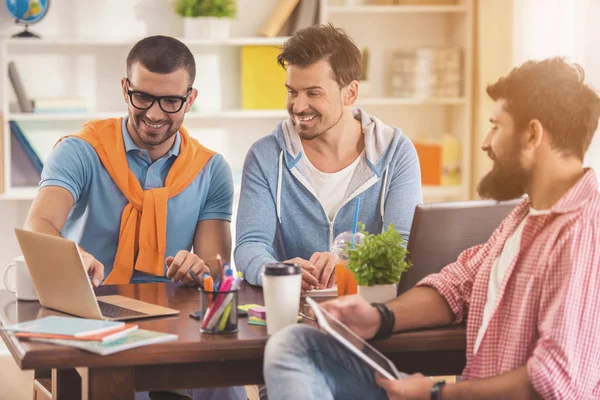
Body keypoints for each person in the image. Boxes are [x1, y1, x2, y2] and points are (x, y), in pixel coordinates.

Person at [263, 57, 600, 400]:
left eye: (496, 126)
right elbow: (457, 285)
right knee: (296, 344)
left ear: (532, 134)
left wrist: (437, 393)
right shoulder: (526, 216)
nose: (486, 142)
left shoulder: (581, 234)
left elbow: (553, 383)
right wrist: (378, 317)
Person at [24, 35, 245, 400]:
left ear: (190, 99)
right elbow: (40, 224)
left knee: (223, 380)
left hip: (176, 318)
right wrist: (70, 254)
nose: (155, 114)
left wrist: (199, 267)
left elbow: (215, 266)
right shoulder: (81, 151)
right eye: (142, 97)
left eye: (171, 101)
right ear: (126, 89)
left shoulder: (210, 169)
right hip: (95, 313)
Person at [234, 24, 422, 291]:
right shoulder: (265, 156)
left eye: (313, 93)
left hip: (368, 309)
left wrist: (351, 263)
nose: (298, 107)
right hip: (293, 308)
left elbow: (403, 246)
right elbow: (249, 245)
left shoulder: (396, 153)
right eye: (292, 91)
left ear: (350, 93)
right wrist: (278, 272)